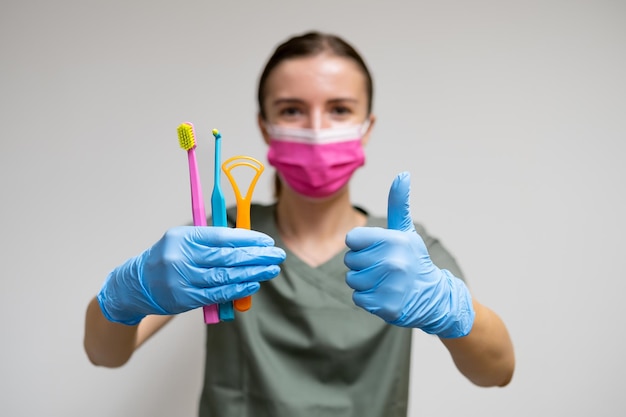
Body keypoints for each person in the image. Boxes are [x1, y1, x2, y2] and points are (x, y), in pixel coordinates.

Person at [84, 31, 515, 416]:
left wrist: (452, 310)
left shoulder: (403, 250)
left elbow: (497, 371)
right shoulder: (221, 237)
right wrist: (129, 293)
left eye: (339, 110)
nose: (315, 130)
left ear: (366, 128)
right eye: (291, 110)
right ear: (265, 127)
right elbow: (103, 353)